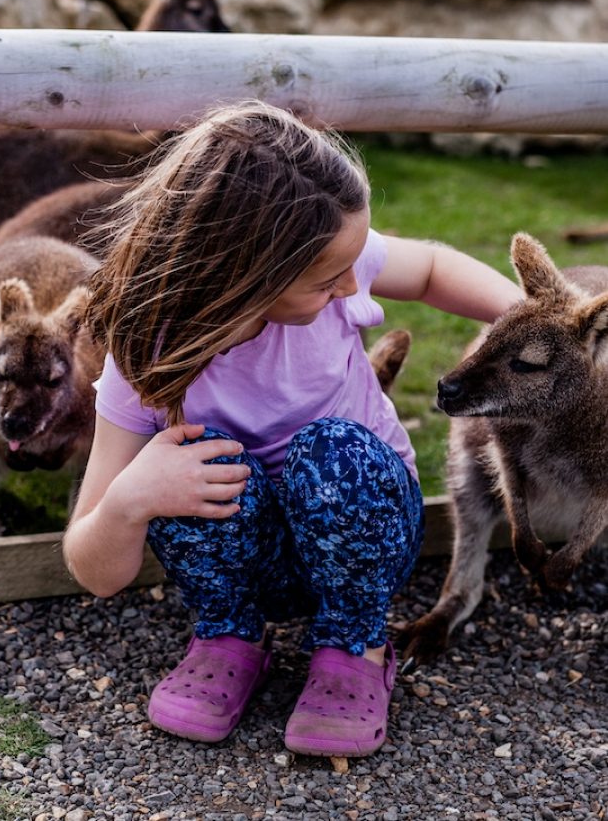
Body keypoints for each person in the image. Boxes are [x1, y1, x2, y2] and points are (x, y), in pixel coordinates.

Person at [63, 100, 521, 757]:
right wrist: (135, 497)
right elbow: (92, 566)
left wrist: (539, 319)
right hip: (253, 564)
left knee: (332, 453)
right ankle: (230, 637)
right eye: (328, 279)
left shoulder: (340, 256)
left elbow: (430, 269)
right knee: (183, 462)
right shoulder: (149, 358)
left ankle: (354, 645)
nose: (351, 290)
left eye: (352, 268)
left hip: (362, 535)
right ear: (248, 275)